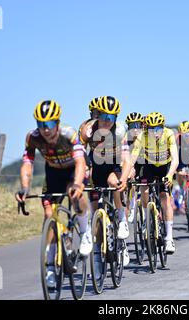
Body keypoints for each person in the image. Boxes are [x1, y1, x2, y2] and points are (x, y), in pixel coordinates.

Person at [15, 100, 90, 287]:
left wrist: (78, 185)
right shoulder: (32, 138)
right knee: (49, 215)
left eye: (48, 124)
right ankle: (49, 265)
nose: (45, 129)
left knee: (74, 195)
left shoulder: (69, 134)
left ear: (57, 123)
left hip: (74, 169)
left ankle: (85, 231)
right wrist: (25, 188)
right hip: (53, 172)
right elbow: (27, 163)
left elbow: (81, 162)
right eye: (41, 124)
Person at [79, 96, 130, 266]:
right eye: (105, 117)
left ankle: (122, 220)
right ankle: (97, 254)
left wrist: (123, 179)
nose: (108, 121)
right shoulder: (87, 129)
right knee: (95, 213)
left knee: (114, 182)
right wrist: (83, 174)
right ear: (98, 115)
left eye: (112, 118)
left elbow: (127, 160)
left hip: (112, 166)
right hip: (96, 166)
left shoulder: (120, 130)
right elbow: (80, 154)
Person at [119, 112, 179, 254]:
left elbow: (175, 159)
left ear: (162, 127)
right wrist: (127, 174)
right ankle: (147, 218)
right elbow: (133, 159)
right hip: (150, 166)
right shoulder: (142, 136)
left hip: (165, 167)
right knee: (144, 190)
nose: (154, 132)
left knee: (165, 198)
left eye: (157, 128)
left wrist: (170, 176)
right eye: (151, 129)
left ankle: (169, 238)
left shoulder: (169, 134)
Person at [123, 112, 144, 223]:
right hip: (131, 162)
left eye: (137, 126)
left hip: (145, 163)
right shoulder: (126, 138)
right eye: (132, 126)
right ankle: (131, 204)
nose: (135, 129)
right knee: (129, 177)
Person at [174, 121, 189, 218]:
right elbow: (173, 156)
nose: (185, 137)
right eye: (183, 135)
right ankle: (180, 189)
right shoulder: (176, 140)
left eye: (187, 135)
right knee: (180, 173)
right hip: (179, 158)